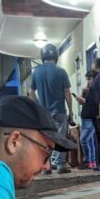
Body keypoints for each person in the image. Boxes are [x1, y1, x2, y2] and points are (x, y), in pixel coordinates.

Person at [30, 43, 74, 174]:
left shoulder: (36, 72)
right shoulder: (61, 71)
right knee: (60, 137)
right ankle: (61, 165)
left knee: (46, 139)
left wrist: (39, 107)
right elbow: (67, 93)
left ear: (43, 56)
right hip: (59, 111)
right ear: (56, 55)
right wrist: (70, 111)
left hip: (44, 113)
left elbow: (31, 92)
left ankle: (48, 165)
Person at [76, 70, 98, 169]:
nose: (88, 82)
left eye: (90, 79)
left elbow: (94, 104)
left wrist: (84, 100)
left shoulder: (96, 91)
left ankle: (88, 160)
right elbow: (81, 103)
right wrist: (81, 96)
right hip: (84, 118)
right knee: (89, 141)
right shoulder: (87, 90)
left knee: (83, 139)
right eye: (87, 79)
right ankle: (92, 162)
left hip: (91, 118)